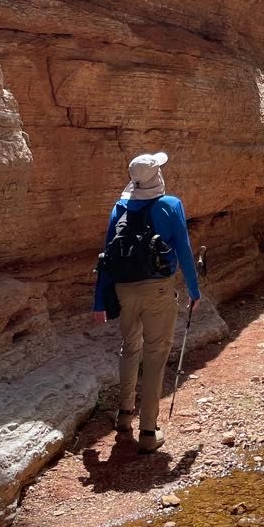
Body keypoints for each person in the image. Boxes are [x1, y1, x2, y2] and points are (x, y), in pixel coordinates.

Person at [92, 151, 201, 453]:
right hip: (158, 291)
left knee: (130, 348)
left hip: (124, 291)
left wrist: (99, 301)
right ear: (156, 177)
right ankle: (149, 431)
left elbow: (106, 257)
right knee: (154, 355)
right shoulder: (170, 205)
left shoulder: (119, 208)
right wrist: (194, 290)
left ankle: (125, 415)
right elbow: (183, 249)